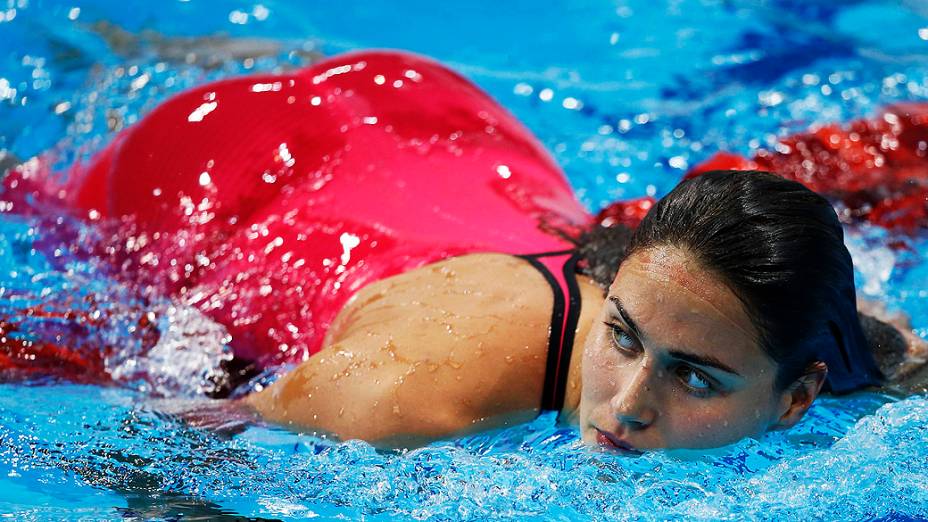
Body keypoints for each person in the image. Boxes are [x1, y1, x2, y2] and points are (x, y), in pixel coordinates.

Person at [1, 51, 926, 451]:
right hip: (232, 182)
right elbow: (175, 436)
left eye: (695, 380)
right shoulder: (408, 394)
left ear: (800, 396)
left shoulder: (848, 356)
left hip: (455, 136)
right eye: (625, 338)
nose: (629, 407)